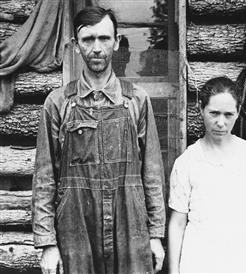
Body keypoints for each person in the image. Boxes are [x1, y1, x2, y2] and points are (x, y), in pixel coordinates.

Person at [32, 6, 165, 274]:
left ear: (116, 42)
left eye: (104, 38)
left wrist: (155, 234)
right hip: (75, 227)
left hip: (130, 225)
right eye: (88, 39)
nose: (96, 48)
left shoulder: (136, 100)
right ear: (75, 45)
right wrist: (47, 243)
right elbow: (45, 177)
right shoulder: (58, 103)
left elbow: (151, 173)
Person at [168, 76, 246, 273]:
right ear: (201, 109)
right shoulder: (187, 163)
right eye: (214, 113)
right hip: (200, 262)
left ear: (237, 113)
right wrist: (174, 271)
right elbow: (177, 223)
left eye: (228, 114)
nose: (221, 122)